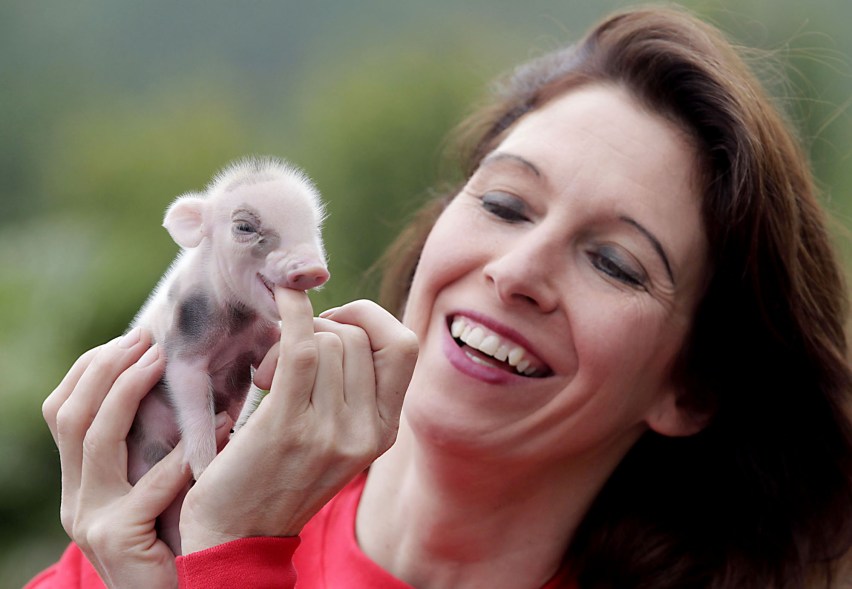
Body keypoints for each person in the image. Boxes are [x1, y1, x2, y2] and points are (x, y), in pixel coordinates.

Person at [27, 5, 852, 588]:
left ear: (692, 386)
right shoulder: (142, 524)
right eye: (504, 204)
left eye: (613, 262)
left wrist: (232, 556)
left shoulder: (220, 531)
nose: (518, 270)